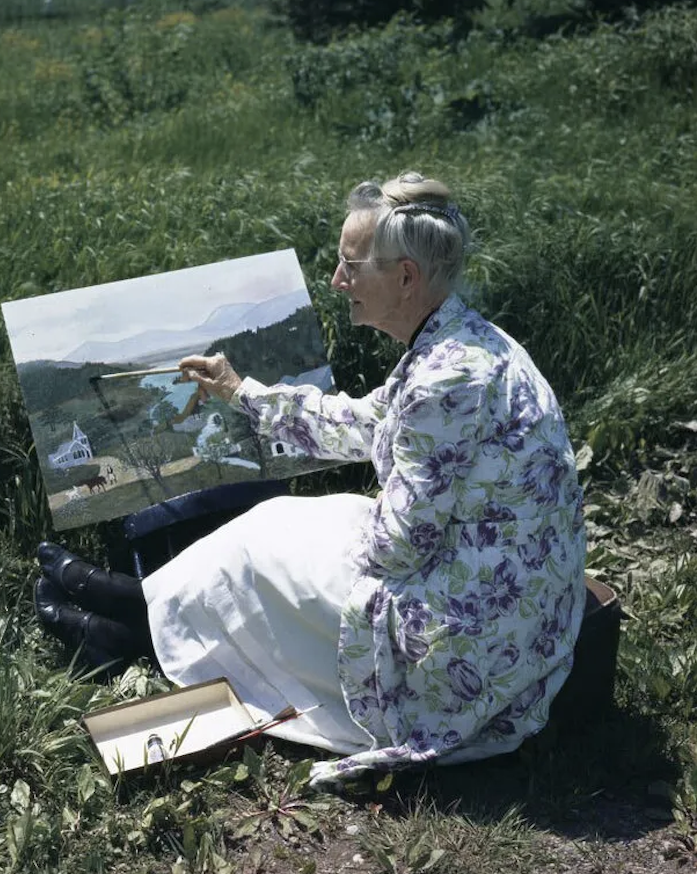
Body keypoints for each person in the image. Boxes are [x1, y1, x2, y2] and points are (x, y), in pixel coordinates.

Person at [35, 171, 586, 787]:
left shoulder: (445, 383)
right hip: (513, 604)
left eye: (352, 265)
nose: (336, 281)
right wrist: (239, 390)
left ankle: (132, 619)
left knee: (262, 548)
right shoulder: (465, 344)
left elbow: (398, 547)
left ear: (405, 277)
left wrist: (309, 541)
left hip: (474, 647)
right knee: (285, 528)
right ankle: (135, 615)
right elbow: (361, 424)